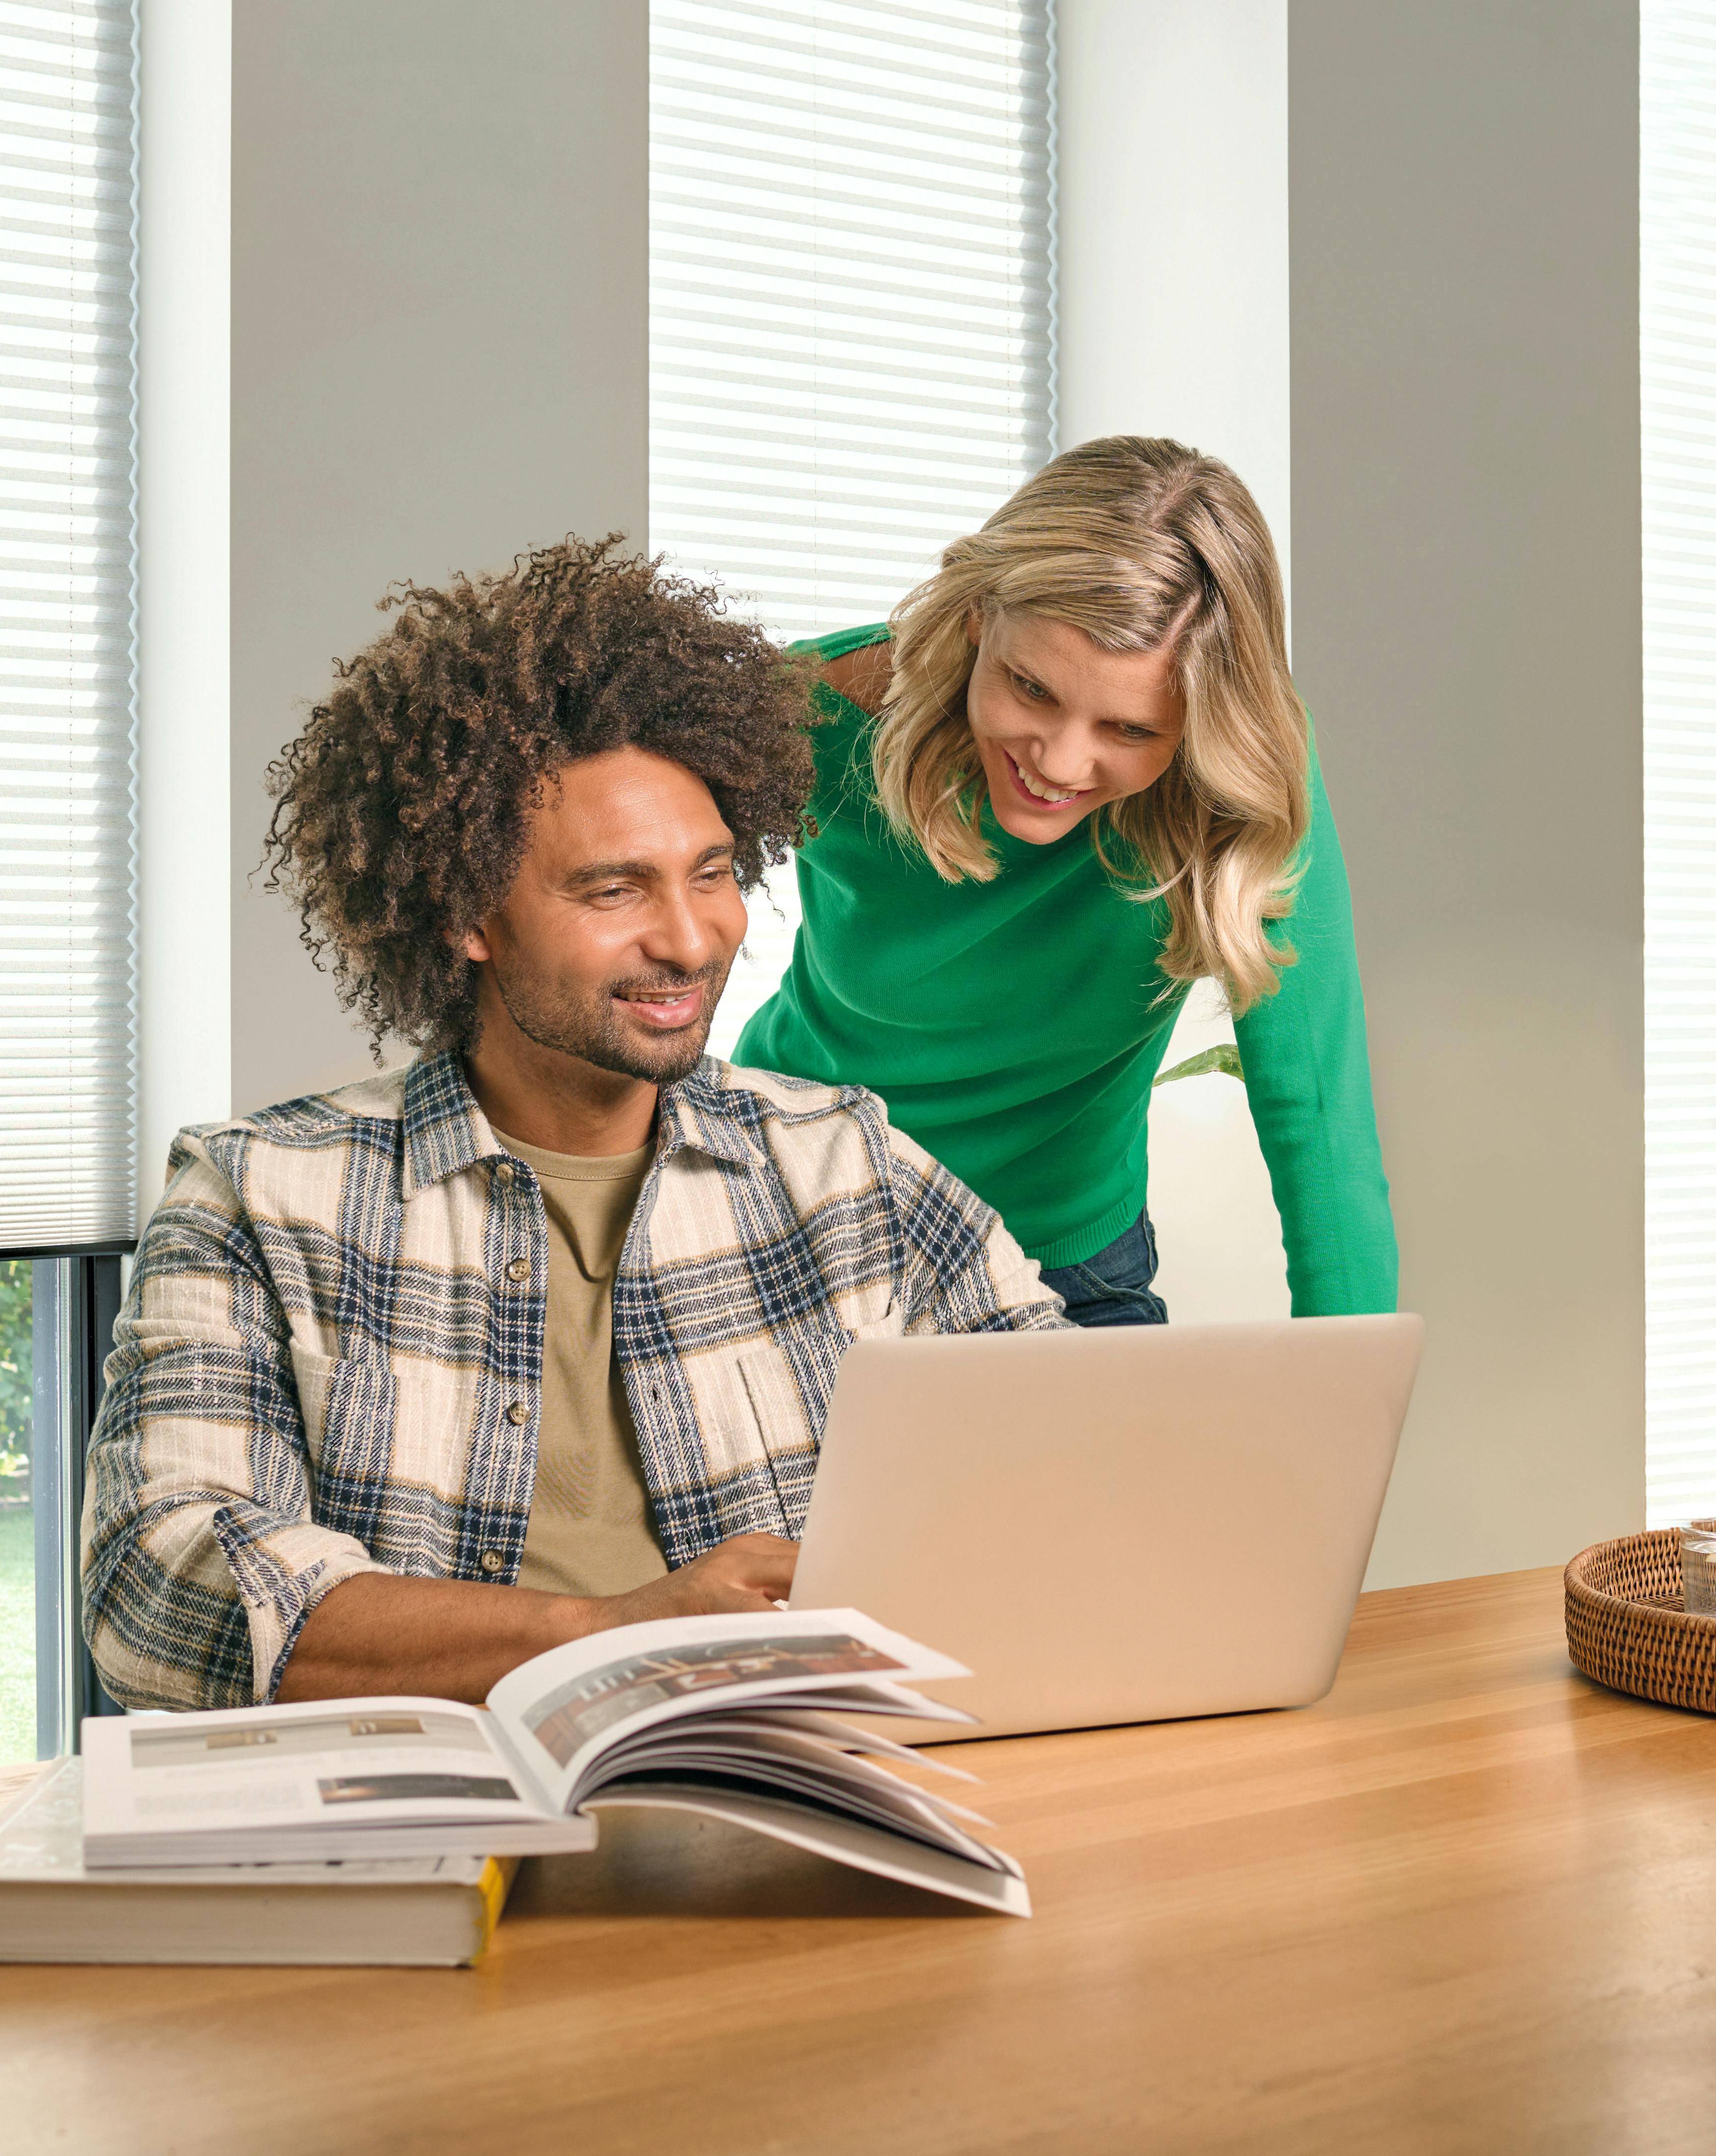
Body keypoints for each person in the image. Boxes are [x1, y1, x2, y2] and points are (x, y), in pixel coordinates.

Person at [82, 537, 1065, 1713]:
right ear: (465, 917)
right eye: (614, 891)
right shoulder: (257, 1198)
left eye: (710, 874)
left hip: (799, 1796)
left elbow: (1062, 1461)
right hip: (440, 1844)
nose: (693, 940)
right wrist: (610, 1635)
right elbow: (159, 1592)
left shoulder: (849, 1166)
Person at [735, 437, 1398, 1328]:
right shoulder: (810, 713)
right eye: (1032, 688)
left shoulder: (1243, 787)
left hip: (1063, 1264)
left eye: (1129, 729)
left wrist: (1350, 1406)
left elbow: (1316, 1110)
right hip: (792, 1226)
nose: (1058, 761)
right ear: (976, 616)